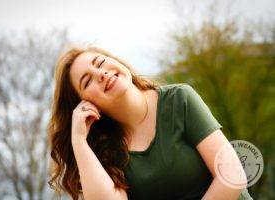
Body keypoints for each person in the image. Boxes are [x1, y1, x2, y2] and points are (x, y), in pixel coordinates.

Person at [47, 46, 253, 200]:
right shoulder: (104, 151)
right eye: (87, 81)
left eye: (100, 63)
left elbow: (232, 175)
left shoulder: (179, 99)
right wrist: (79, 140)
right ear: (84, 104)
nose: (100, 74)